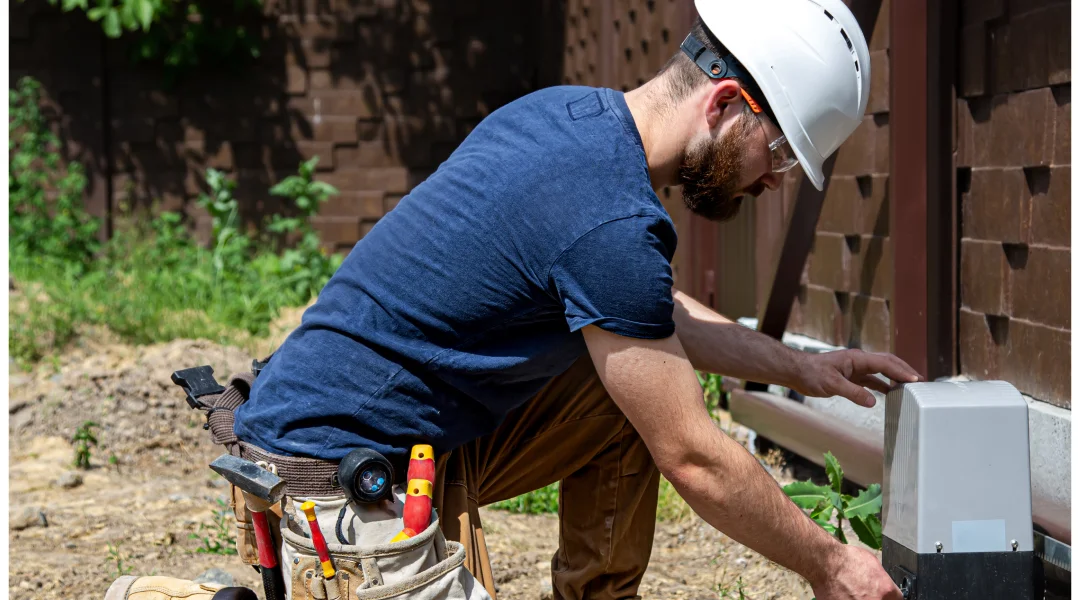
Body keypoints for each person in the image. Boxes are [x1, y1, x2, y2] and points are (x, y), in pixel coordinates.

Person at [233, 0, 915, 598]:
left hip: (379, 441)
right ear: (726, 104)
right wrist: (831, 565)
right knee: (662, 411)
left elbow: (649, 315)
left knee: (629, 383)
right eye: (780, 153)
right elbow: (694, 457)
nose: (773, 182)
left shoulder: (568, 117)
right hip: (332, 482)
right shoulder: (608, 218)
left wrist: (802, 368)